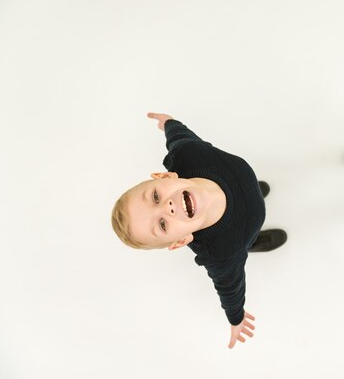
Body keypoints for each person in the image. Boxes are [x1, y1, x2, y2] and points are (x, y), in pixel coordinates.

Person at [111, 112, 287, 348]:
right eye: (162, 224)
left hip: (242, 180)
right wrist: (236, 317)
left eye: (155, 196)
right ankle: (253, 242)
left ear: (165, 176)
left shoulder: (187, 156)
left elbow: (181, 138)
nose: (167, 207)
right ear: (181, 240)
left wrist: (170, 124)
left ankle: (252, 193)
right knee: (243, 242)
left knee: (250, 192)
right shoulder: (221, 253)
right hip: (244, 230)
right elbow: (229, 285)